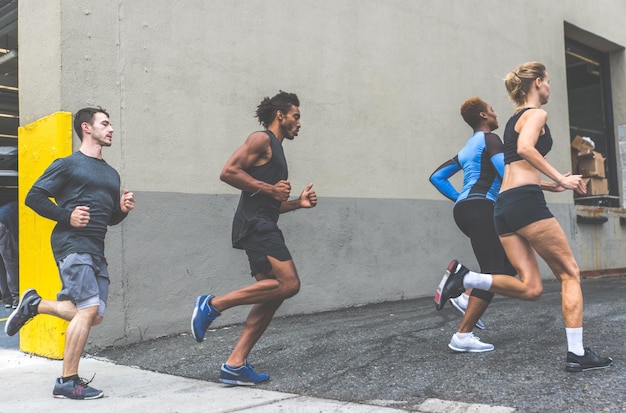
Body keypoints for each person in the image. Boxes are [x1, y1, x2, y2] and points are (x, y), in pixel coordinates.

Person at [435, 62, 612, 371]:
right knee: (570, 273)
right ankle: (577, 353)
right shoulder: (535, 114)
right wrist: (563, 177)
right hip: (524, 203)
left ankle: (467, 278)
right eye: (548, 82)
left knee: (531, 287)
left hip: (504, 205)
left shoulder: (512, 120)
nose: (550, 87)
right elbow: (527, 149)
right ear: (538, 83)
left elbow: (517, 163)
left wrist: (551, 183)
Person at [4, 107, 136, 398]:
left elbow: (108, 218)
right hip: (71, 243)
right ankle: (67, 381)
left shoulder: (111, 174)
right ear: (86, 128)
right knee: (88, 309)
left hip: (95, 247)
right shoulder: (68, 164)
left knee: (94, 315)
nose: (111, 128)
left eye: (110, 123)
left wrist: (122, 210)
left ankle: (35, 305)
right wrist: (67, 215)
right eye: (105, 123)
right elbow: (33, 196)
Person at [191, 91, 317, 386]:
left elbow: (271, 203)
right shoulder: (261, 140)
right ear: (281, 115)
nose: (299, 124)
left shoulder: (278, 152)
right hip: (256, 225)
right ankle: (213, 305)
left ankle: (235, 364)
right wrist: (269, 189)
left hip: (262, 221)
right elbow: (228, 172)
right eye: (296, 117)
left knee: (273, 293)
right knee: (290, 284)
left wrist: (298, 203)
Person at [430, 97, 516, 353]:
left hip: (466, 210)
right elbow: (506, 173)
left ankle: (466, 295)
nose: (495, 113)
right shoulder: (491, 139)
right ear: (483, 115)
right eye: (492, 110)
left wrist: (461, 198)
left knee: (507, 266)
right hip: (482, 208)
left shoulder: (467, 147)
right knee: (492, 271)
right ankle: (462, 330)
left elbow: (436, 176)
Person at [0, 201, 18, 309]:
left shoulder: (9, 207)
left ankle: (7, 299)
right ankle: (16, 299)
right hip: (2, 225)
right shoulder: (22, 208)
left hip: (2, 222)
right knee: (10, 264)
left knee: (1, 265)